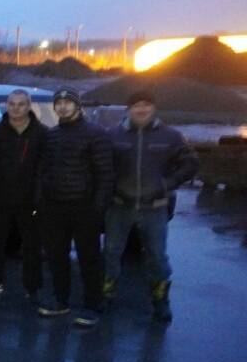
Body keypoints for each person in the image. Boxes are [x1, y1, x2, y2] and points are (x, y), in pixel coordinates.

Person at [103, 91, 198, 323]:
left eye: (146, 105)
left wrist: (167, 185)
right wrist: (110, 187)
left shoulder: (171, 136)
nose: (141, 109)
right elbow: (101, 165)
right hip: (119, 206)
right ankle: (106, 295)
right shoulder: (112, 135)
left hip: (154, 208)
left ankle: (160, 301)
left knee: (157, 256)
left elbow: (190, 164)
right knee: (111, 253)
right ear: (128, 109)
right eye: (136, 105)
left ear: (154, 108)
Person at [36, 87, 113, 327]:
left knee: (89, 258)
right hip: (54, 208)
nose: (62, 106)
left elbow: (105, 174)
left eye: (67, 102)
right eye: (58, 102)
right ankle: (61, 301)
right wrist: (42, 200)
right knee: (57, 257)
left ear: (78, 106)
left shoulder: (95, 134)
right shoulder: (52, 135)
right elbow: (44, 170)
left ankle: (93, 305)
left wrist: (98, 207)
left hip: (85, 208)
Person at [0, 90, 47, 299]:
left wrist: (41, 194)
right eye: (12, 104)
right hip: (0, 197)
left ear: (29, 106)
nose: (16, 108)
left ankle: (32, 287)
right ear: (7, 105)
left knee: (32, 244)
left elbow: (46, 167)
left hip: (31, 198)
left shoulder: (42, 133)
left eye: (21, 104)